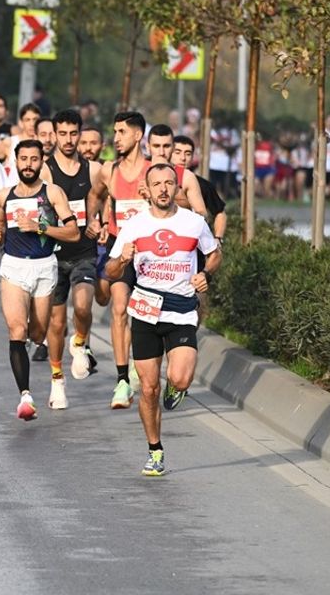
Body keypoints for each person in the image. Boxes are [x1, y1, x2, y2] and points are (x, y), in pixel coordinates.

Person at [105, 164, 221, 476]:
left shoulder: (194, 223)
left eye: (169, 183)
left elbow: (214, 253)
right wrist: (122, 259)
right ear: (147, 189)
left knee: (181, 378)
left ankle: (177, 388)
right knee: (149, 388)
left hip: (181, 309)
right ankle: (155, 450)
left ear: (177, 188)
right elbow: (111, 272)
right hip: (145, 310)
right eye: (157, 184)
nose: (163, 189)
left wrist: (205, 274)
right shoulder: (134, 225)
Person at [0, 140, 80, 418]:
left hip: (44, 266)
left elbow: (73, 232)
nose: (28, 164)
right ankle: (25, 398)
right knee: (17, 330)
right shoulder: (5, 195)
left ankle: (55, 376)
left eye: (34, 159)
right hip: (14, 267)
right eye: (23, 159)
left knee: (38, 333)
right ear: (15, 162)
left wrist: (40, 226)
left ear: (42, 162)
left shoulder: (52, 193)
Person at [85, 111, 150, 409]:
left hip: (149, 251)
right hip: (117, 245)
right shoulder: (108, 170)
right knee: (119, 308)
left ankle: (140, 364)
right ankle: (122, 380)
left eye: (122, 132)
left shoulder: (153, 170)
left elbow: (178, 201)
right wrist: (93, 220)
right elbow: (94, 196)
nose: (117, 137)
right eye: (115, 131)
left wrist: (154, 197)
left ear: (138, 135)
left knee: (144, 315)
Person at [40, 109, 104, 385]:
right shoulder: (45, 169)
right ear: (54, 134)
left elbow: (106, 199)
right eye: (62, 133)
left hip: (83, 252)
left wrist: (99, 221)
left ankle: (79, 342)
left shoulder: (95, 169)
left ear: (80, 134)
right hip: (53, 255)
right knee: (55, 324)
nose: (68, 140)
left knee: (82, 307)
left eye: (73, 133)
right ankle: (57, 379)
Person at [172, 136, 227, 244]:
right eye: (177, 152)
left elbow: (220, 213)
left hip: (193, 241)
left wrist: (218, 238)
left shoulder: (204, 185)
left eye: (188, 154)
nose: (183, 158)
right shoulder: (154, 178)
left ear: (193, 157)